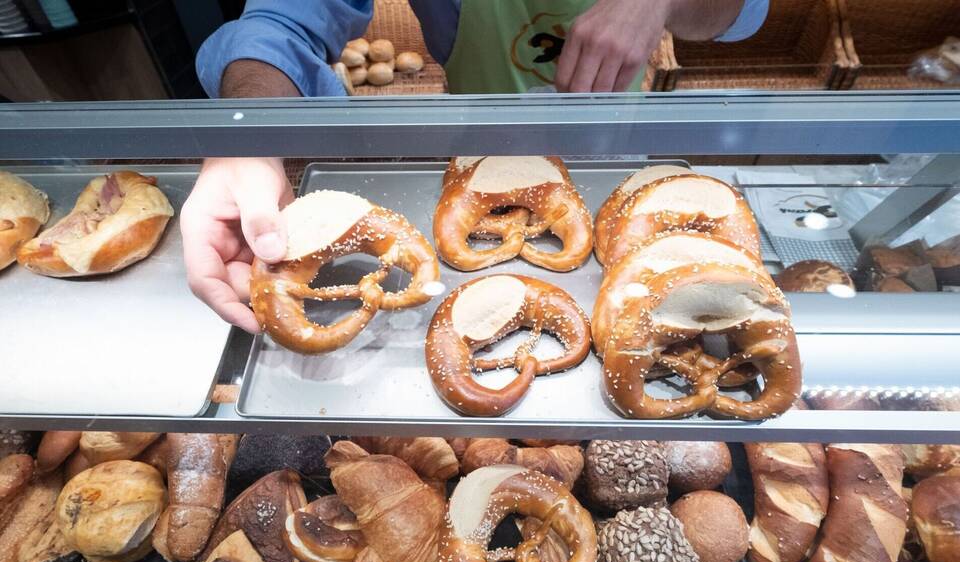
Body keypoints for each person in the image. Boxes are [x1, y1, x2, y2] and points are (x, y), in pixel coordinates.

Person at [181, 0, 769, 332]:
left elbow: (744, 12)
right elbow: (279, 25)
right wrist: (248, 137)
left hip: (613, 167)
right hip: (476, 162)